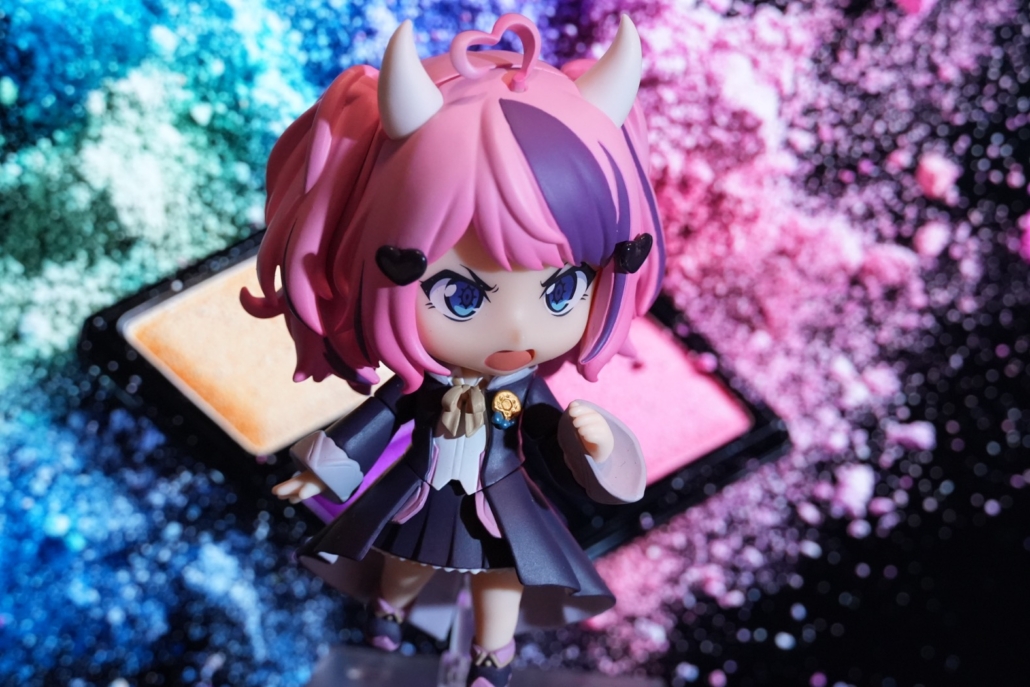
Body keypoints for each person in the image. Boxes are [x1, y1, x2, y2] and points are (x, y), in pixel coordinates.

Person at [241, 13, 664, 687]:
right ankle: (388, 613)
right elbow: (377, 416)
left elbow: (547, 436)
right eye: (461, 295)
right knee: (406, 563)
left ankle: (491, 662)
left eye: (562, 290)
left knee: (506, 577)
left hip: (503, 496)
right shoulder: (423, 383)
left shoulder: (522, 387)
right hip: (425, 489)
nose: (517, 329)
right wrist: (322, 469)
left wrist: (595, 445)